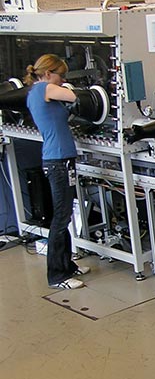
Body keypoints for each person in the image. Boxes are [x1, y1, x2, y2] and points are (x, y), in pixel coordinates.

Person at [24, 54, 90, 289]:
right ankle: (57, 276)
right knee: (61, 218)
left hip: (61, 159)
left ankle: (68, 266)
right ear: (48, 73)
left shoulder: (35, 92)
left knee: (64, 215)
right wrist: (77, 89)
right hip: (58, 161)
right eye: (61, 75)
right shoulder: (44, 88)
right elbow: (74, 96)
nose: (62, 80)